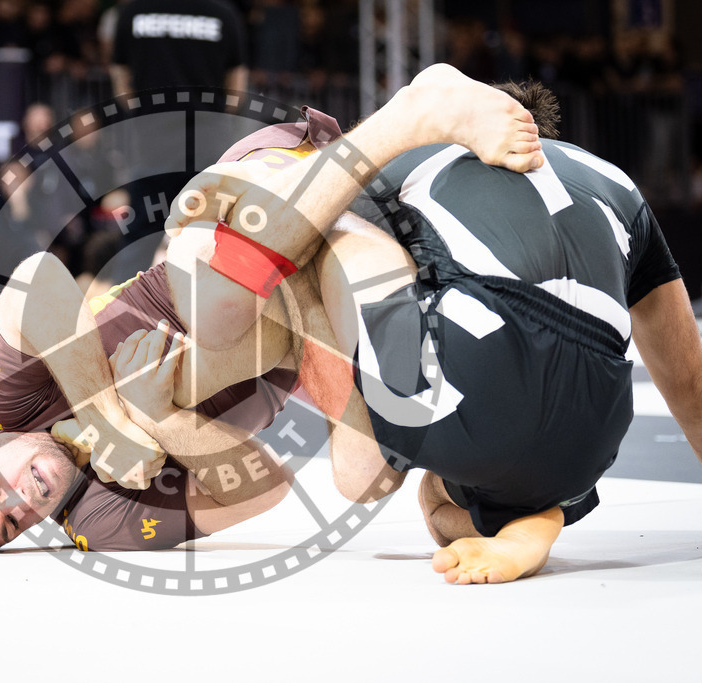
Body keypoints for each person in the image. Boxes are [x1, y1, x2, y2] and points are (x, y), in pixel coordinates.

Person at [0, 66, 542, 557]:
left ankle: (413, 116)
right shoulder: (105, 523)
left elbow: (35, 281)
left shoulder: (13, 402)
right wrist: (159, 416)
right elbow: (264, 491)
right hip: (306, 330)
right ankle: (397, 213)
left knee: (215, 302)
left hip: (237, 233)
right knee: (362, 482)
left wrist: (112, 417)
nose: (23, 499)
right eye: (11, 524)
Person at [164, 70, 702, 584]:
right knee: (441, 500)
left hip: (471, 382)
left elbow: (260, 234)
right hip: (588, 443)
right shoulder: (619, 185)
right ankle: (533, 515)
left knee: (295, 229)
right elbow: (690, 386)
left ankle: (365, 447)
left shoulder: (422, 158)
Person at [107, 0, 249, 282]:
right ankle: (221, 317)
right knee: (215, 235)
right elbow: (237, 88)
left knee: (141, 237)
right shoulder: (222, 13)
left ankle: (118, 317)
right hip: (209, 139)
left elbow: (120, 82)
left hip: (153, 140)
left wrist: (146, 114)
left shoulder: (134, 11)